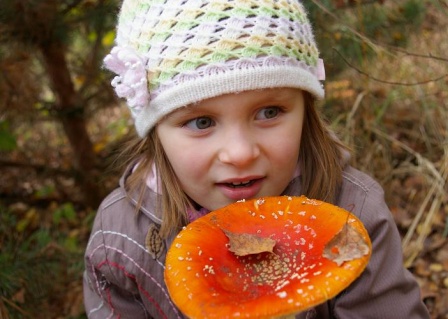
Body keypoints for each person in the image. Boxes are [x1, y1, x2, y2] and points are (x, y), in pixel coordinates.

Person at [83, 0, 430, 318]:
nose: (240, 153)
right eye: (201, 122)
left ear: (306, 110)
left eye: (269, 111)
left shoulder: (351, 216)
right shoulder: (121, 238)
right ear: (155, 131)